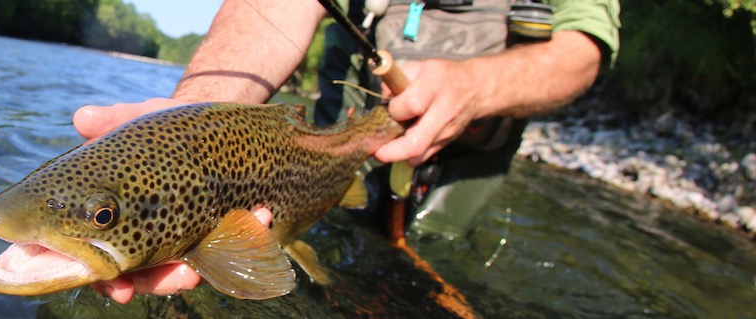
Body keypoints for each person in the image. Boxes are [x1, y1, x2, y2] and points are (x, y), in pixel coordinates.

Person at [74, 0, 619, 304]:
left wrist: (475, 88)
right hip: (330, 149)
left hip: (471, 153)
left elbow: (583, 51)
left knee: (425, 272)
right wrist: (191, 118)